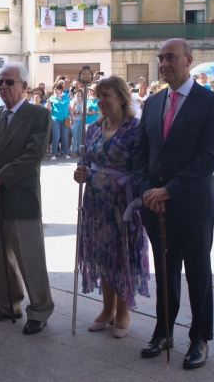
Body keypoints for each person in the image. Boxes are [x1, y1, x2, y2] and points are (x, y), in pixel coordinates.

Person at [132, 38, 214, 370]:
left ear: (188, 60)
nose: (163, 63)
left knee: (197, 273)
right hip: (155, 206)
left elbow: (209, 158)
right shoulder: (154, 102)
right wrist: (148, 190)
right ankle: (163, 332)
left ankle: (200, 338)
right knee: (165, 273)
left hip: (194, 205)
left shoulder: (211, 103)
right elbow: (142, 152)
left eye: (170, 57)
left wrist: (169, 190)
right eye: (160, 58)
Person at [0, 63, 54, 336]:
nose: (3, 86)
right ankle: (7, 305)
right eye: (0, 82)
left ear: (24, 86)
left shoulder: (38, 115)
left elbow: (32, 154)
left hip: (20, 199)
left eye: (9, 82)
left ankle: (39, 310)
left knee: (30, 259)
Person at [72, 76, 150, 339]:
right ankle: (107, 310)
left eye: (106, 95)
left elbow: (142, 165)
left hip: (123, 203)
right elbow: (86, 160)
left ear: (121, 97)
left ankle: (123, 311)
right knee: (102, 254)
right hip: (95, 201)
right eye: (98, 96)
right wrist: (80, 172)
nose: (101, 101)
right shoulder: (93, 127)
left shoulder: (136, 128)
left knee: (123, 256)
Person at [46, 82, 71, 160]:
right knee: (56, 136)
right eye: (54, 89)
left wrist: (72, 117)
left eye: (57, 89)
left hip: (65, 119)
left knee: (65, 137)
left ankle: (65, 153)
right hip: (55, 119)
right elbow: (47, 109)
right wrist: (47, 104)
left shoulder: (66, 97)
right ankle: (53, 155)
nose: (55, 91)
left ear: (61, 90)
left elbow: (69, 107)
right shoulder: (52, 98)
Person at [70, 88, 84, 157]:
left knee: (80, 137)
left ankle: (79, 150)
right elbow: (71, 112)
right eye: (78, 93)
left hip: (81, 120)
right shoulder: (72, 101)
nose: (79, 94)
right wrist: (74, 106)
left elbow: (83, 112)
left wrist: (78, 112)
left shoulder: (83, 101)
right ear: (75, 94)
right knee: (74, 137)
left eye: (80, 93)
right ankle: (73, 151)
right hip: (74, 120)